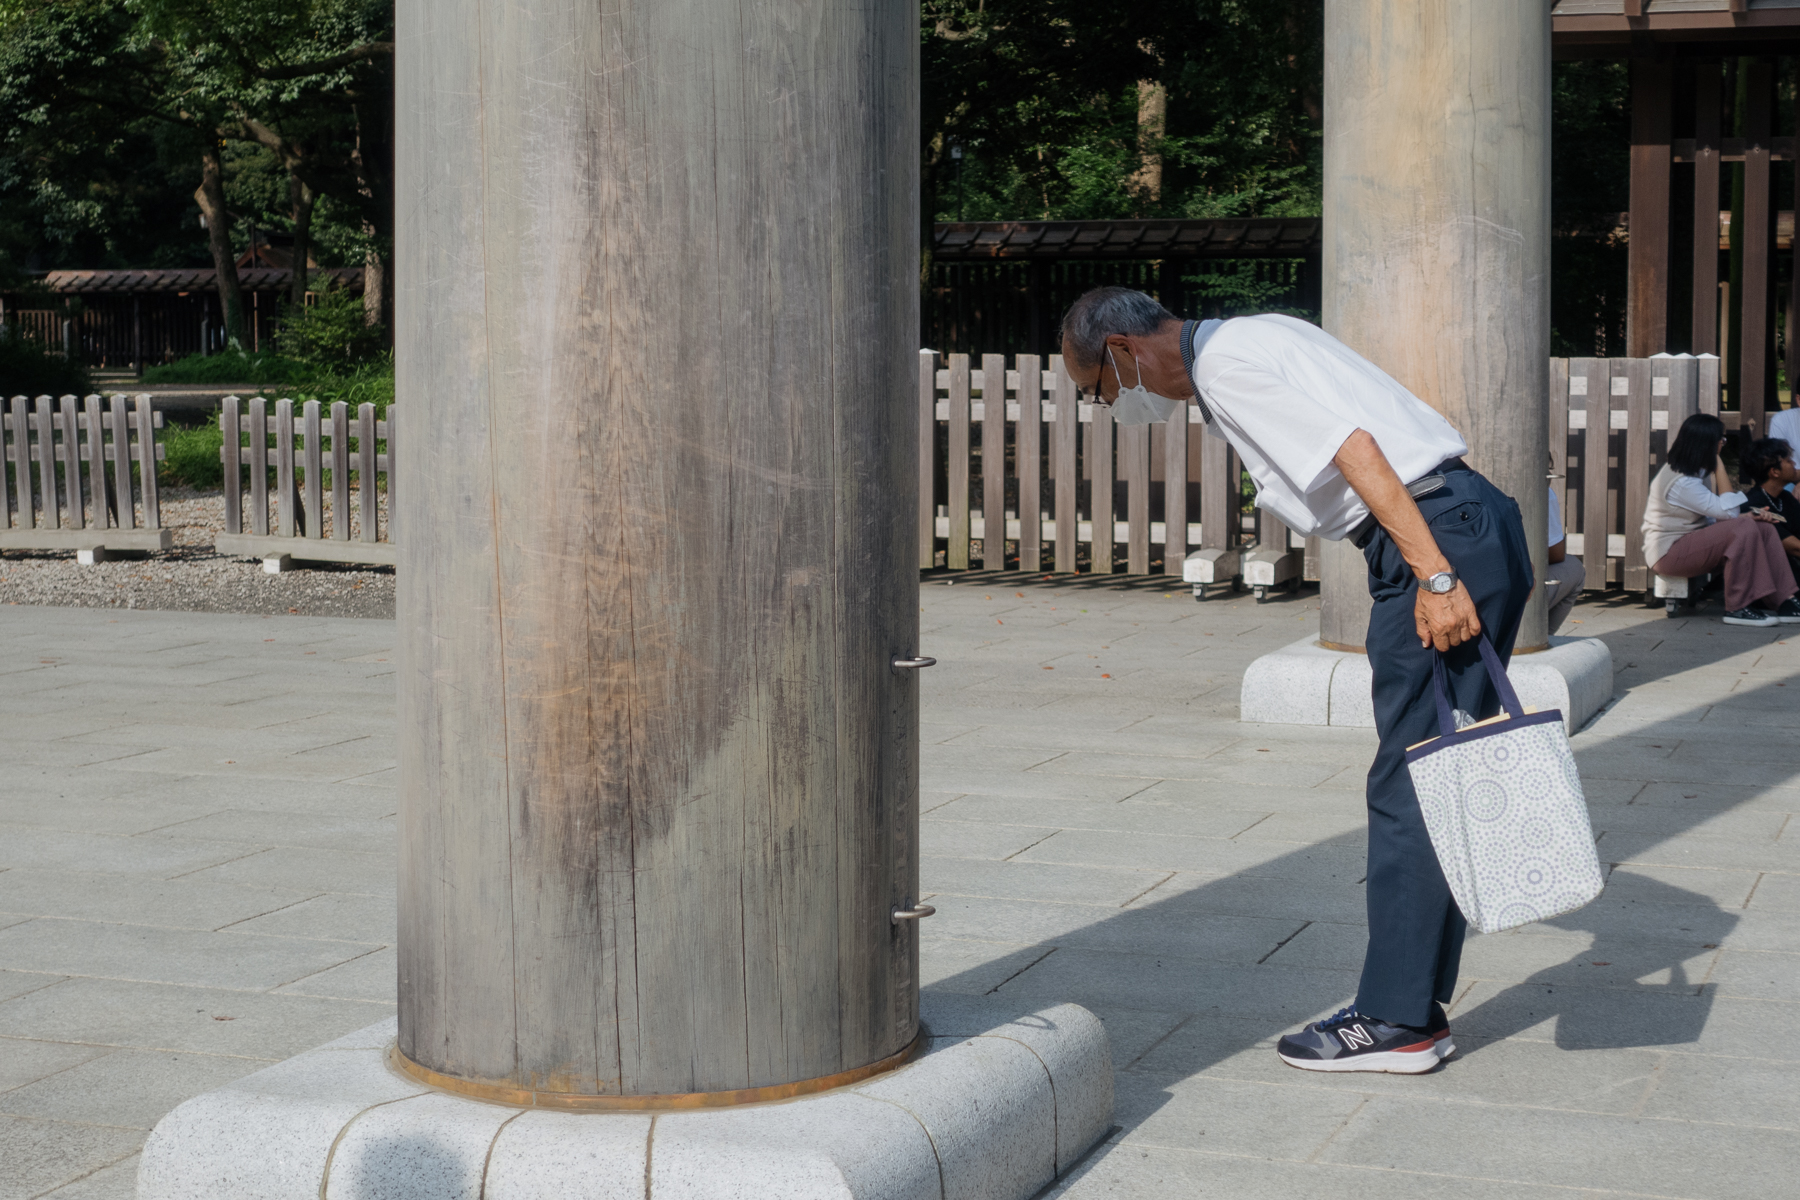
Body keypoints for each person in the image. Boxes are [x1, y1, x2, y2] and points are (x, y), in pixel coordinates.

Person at [1059, 287, 1532, 1074]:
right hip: (1466, 516)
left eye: (1098, 391)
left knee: (1410, 781)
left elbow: (1356, 449)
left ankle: (1396, 1019)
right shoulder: (1256, 335)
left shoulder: (1226, 367)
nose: (1111, 407)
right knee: (1437, 774)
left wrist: (1435, 576)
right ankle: (1415, 1006)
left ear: (1121, 352)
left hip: (1431, 538)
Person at [1641, 414, 1798, 628]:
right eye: (1721, 440)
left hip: (1690, 544)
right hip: (1668, 554)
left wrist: (1747, 517)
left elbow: (1715, 517)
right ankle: (1737, 607)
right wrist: (1720, 467)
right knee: (1743, 525)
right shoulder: (1682, 481)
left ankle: (1786, 600)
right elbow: (1729, 513)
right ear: (1708, 444)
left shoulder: (1694, 472)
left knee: (1764, 527)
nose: (1723, 444)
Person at [1738, 436, 1800, 586]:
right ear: (1775, 472)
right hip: (1774, 583)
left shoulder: (1784, 498)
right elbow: (1795, 547)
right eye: (1788, 460)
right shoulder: (1753, 505)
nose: (1794, 464)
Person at [1544, 479, 1584, 635]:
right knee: (1574, 567)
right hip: (1508, 593)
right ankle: (1541, 637)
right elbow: (1556, 553)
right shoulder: (1541, 491)